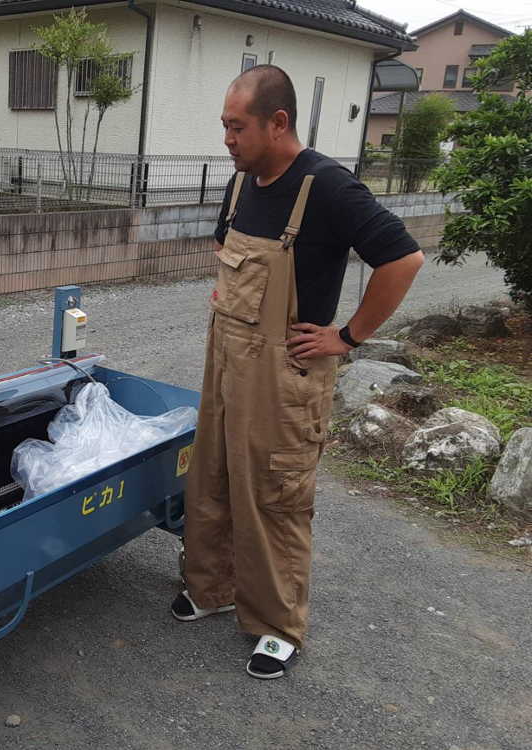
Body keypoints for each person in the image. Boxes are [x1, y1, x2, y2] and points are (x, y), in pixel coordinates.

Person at [173, 66, 424, 679]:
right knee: (213, 475)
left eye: (237, 127)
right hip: (226, 358)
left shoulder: (328, 188)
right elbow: (224, 253)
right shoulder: (241, 186)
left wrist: (347, 336)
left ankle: (277, 623)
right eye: (224, 126)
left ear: (277, 123)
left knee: (273, 494)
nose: (227, 139)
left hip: (285, 376)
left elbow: (403, 258)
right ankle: (213, 587)